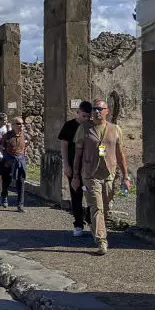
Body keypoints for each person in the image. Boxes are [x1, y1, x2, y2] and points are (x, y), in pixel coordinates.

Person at [72, 99, 130, 256]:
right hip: (90, 175)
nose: (97, 111)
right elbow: (77, 155)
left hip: (108, 175)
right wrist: (75, 176)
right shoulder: (83, 129)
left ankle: (94, 224)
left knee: (105, 208)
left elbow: (120, 154)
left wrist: (125, 176)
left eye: (100, 109)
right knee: (97, 207)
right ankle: (101, 240)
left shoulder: (115, 129)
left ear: (107, 111)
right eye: (94, 109)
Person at [58, 101, 92, 236]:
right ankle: (78, 224)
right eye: (84, 116)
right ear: (78, 113)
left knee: (91, 194)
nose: (86, 119)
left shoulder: (91, 126)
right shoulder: (69, 126)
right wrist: (66, 164)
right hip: (73, 166)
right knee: (76, 195)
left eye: (88, 116)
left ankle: (91, 220)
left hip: (89, 167)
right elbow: (64, 146)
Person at [0, 117, 29, 211]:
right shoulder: (7, 136)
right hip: (8, 161)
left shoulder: (26, 136)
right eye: (19, 124)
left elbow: (26, 145)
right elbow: (1, 147)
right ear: (13, 125)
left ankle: (20, 205)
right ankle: (4, 196)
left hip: (20, 161)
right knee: (6, 180)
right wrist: (7, 157)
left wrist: (23, 154)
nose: (21, 126)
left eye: (22, 124)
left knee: (21, 182)